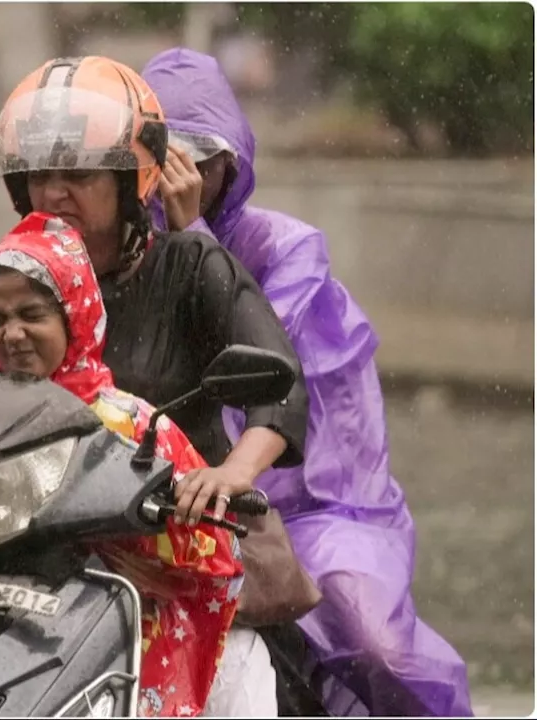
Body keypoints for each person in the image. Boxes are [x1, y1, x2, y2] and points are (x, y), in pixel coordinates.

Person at [0, 55, 308, 533]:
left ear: (128, 179)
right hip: (26, 535)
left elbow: (280, 386)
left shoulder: (193, 265)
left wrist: (232, 473)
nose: (54, 194)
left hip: (175, 542)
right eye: (40, 177)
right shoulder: (14, 276)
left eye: (78, 175)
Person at [142, 47, 473, 717]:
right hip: (179, 503)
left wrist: (192, 235)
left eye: (200, 158)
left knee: (377, 649)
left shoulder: (283, 251)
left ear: (231, 162)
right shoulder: (125, 251)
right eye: (164, 157)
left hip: (316, 507)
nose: (183, 176)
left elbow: (263, 354)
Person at [0, 210, 268, 716]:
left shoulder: (132, 425)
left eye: (31, 315)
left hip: (113, 646)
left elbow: (213, 558)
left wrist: (165, 534)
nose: (12, 334)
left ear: (75, 314)